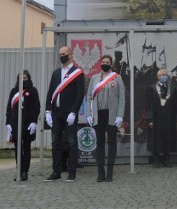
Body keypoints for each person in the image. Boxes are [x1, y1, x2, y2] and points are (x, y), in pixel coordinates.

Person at [44, 46, 85, 183]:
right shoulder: (56, 73)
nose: (62, 56)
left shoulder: (77, 73)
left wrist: (74, 112)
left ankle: (72, 172)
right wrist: (47, 111)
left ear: (70, 55)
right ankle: (56, 171)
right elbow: (50, 93)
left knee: (72, 142)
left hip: (69, 113)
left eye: (64, 54)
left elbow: (79, 95)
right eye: (60, 54)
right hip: (56, 112)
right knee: (55, 142)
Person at [87, 54, 125, 182]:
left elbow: (122, 98)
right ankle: (100, 172)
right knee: (100, 142)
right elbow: (89, 98)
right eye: (103, 61)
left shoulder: (117, 78)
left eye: (107, 62)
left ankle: (110, 172)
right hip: (98, 114)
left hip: (112, 114)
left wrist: (120, 115)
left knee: (112, 142)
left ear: (111, 63)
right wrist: (89, 114)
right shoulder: (94, 78)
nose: (105, 63)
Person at [5, 69, 41, 181]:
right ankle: (19, 171)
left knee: (26, 147)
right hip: (15, 123)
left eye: (25, 78)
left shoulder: (33, 90)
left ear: (28, 78)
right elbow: (9, 108)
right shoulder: (14, 91)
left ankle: (25, 172)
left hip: (28, 123)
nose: (23, 80)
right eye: (21, 79)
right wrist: (8, 123)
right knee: (17, 149)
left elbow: (37, 108)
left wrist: (34, 122)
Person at [145, 68, 177, 168]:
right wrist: (150, 119)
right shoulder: (151, 89)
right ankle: (156, 159)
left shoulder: (172, 89)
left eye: (166, 75)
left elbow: (176, 104)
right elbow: (148, 105)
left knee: (167, 138)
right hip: (156, 118)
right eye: (162, 75)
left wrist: (176, 117)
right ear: (158, 76)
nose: (165, 76)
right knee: (156, 138)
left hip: (169, 118)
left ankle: (166, 159)